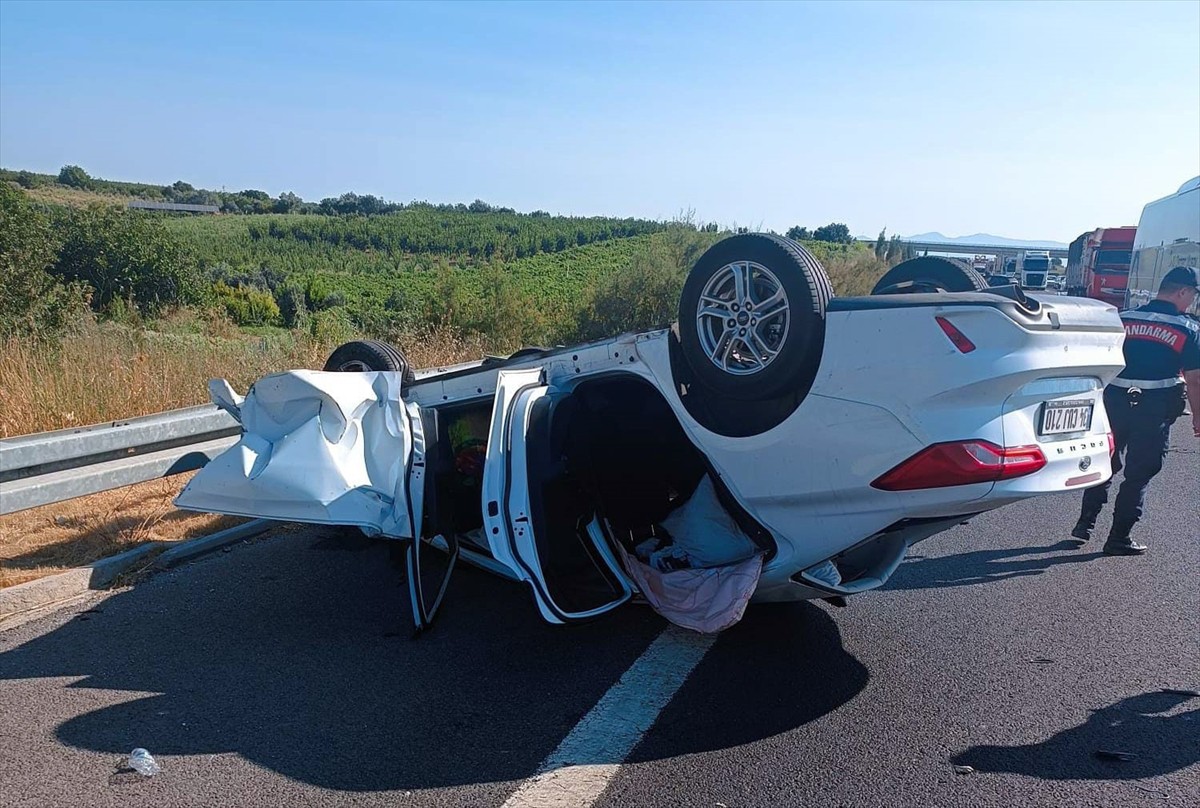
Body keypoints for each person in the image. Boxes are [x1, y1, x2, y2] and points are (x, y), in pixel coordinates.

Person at [1072, 265, 1200, 555]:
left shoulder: (1124, 318)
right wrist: (1198, 420)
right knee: (1139, 474)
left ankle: (1084, 524)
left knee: (1105, 463)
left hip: (1113, 402)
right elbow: (1194, 380)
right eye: (1192, 294)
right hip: (1153, 409)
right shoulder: (1188, 328)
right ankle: (1118, 538)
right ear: (1182, 291)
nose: (1191, 301)